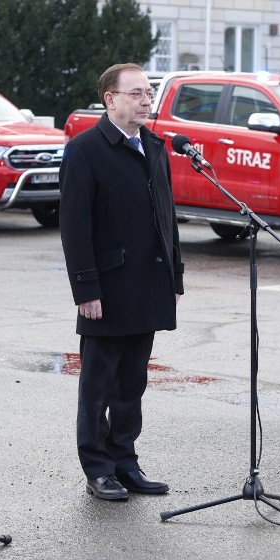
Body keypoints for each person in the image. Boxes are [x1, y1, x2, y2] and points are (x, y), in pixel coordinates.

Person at [59, 63, 185, 500]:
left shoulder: (155, 146)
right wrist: (86, 288)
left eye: (148, 92)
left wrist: (175, 273)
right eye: (135, 93)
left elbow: (166, 216)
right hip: (108, 289)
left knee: (132, 383)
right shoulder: (85, 150)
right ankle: (97, 468)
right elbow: (74, 227)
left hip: (148, 283)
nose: (145, 100)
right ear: (110, 99)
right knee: (99, 385)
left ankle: (124, 461)